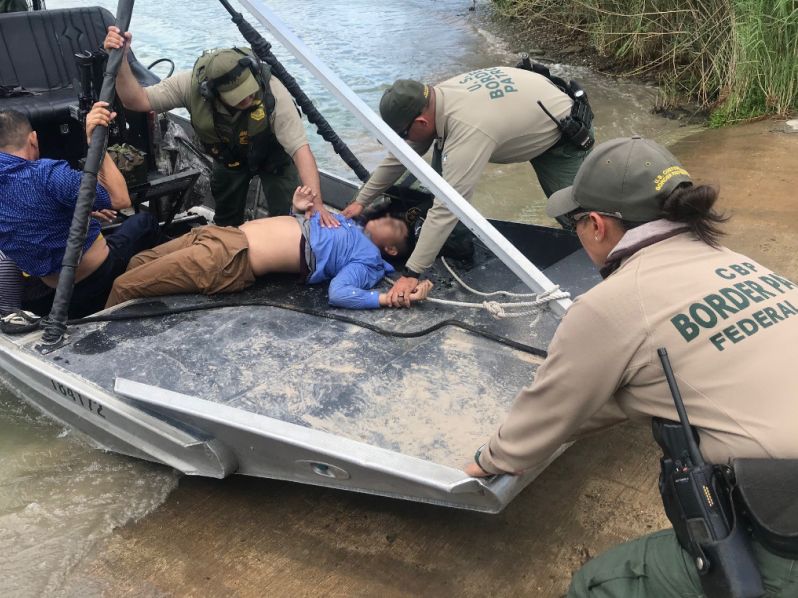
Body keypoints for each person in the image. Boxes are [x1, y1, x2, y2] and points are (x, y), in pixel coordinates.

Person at [460, 136, 798, 597]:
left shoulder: (612, 304)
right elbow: (642, 389)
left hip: (785, 528)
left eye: (574, 222)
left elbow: (544, 413)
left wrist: (492, 457)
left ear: (596, 225)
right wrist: (560, 430)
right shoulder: (741, 264)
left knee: (599, 584)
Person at [341, 66, 593, 306]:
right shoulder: (434, 100)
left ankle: (614, 270)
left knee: (583, 219)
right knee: (444, 172)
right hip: (522, 109)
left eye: (402, 134)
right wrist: (361, 200)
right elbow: (401, 156)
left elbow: (448, 205)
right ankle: (456, 244)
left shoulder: (465, 130)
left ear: (421, 122)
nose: (403, 140)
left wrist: (411, 273)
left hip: (561, 131)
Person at [0, 102, 160, 317]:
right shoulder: (49, 174)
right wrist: (97, 142)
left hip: (55, 293)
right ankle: (156, 282)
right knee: (144, 222)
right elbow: (120, 199)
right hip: (98, 276)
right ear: (33, 138)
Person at [103, 27, 338, 229]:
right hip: (229, 156)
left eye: (250, 92)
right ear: (212, 93)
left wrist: (316, 205)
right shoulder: (191, 85)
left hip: (272, 154)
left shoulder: (273, 93)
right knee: (226, 221)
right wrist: (122, 60)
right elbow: (136, 100)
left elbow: (301, 151)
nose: (248, 99)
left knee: (290, 216)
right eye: (239, 97)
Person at [106, 186, 432, 310]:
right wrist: (297, 209)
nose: (389, 219)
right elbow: (302, 238)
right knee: (136, 262)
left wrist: (387, 298)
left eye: (397, 227)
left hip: (228, 259)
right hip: (220, 235)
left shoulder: (368, 259)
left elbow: (339, 292)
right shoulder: (350, 225)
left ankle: (84, 339)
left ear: (391, 250)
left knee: (124, 286)